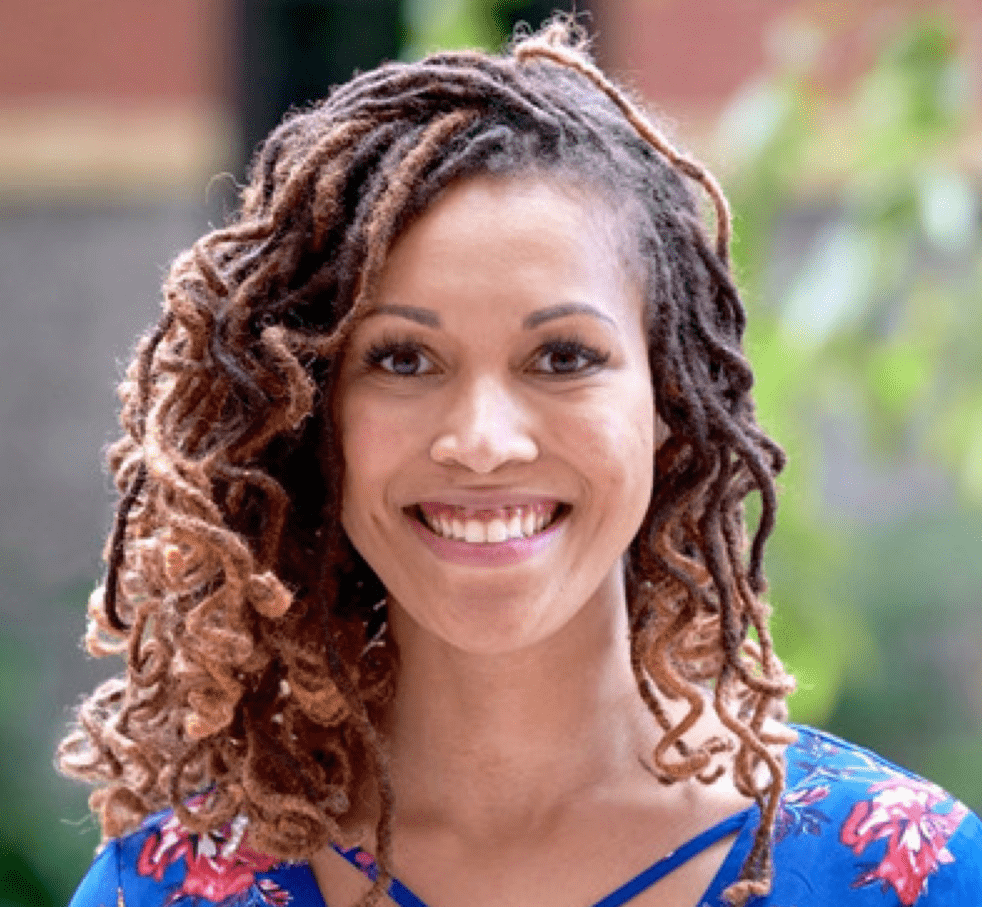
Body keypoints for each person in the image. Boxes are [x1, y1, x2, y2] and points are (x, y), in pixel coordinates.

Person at [60, 17, 980, 907]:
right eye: (402, 360)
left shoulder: (908, 876)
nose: (483, 440)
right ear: (310, 417)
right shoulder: (165, 891)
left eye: (564, 357)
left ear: (669, 404)